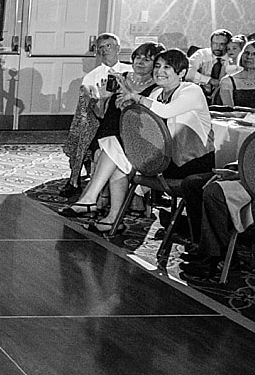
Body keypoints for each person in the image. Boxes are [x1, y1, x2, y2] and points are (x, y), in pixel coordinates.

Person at [180, 42, 255, 279]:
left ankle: (216, 258)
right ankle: (209, 248)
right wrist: (239, 169)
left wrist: (246, 172)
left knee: (215, 190)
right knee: (193, 183)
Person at [111, 48, 215, 238]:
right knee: (117, 160)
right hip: (165, 159)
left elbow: (166, 112)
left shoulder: (192, 90)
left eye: (167, 67)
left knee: (120, 162)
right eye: (158, 66)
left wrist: (138, 98)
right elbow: (147, 126)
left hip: (192, 163)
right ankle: (112, 218)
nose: (160, 71)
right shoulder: (157, 92)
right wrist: (130, 105)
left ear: (182, 73)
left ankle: (110, 214)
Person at [58, 41, 163, 222]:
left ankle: (92, 199)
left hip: (139, 139)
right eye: (137, 57)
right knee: (114, 152)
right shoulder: (119, 77)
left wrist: (130, 100)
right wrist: (103, 99)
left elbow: (149, 121)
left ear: (156, 64)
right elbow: (100, 114)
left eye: (146, 59)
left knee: (114, 152)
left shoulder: (157, 87)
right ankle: (112, 217)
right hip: (109, 133)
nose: (140, 62)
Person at [61, 33, 132, 196]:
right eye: (101, 48)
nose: (105, 50)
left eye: (108, 46)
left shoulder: (130, 73)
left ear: (118, 49)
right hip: (100, 124)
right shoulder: (91, 78)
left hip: (128, 123)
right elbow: (91, 112)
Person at [217, 38, 255, 109]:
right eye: (246, 53)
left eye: (254, 54)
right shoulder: (227, 81)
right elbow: (228, 111)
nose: (249, 57)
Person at [185, 28, 235, 98]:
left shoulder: (233, 58)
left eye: (222, 44)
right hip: (200, 95)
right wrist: (210, 80)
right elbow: (188, 73)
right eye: (214, 43)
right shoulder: (201, 54)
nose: (217, 47)